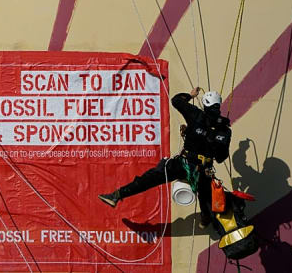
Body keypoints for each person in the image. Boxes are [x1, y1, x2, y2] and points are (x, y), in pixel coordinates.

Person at [98, 87, 231, 228]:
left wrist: (190, 95)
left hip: (186, 164)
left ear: (205, 104)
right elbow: (222, 158)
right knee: (204, 197)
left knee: (153, 177)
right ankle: (205, 218)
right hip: (201, 168)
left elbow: (176, 100)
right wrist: (213, 142)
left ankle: (117, 195)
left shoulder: (197, 115)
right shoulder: (224, 129)